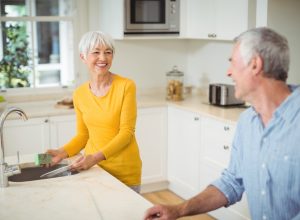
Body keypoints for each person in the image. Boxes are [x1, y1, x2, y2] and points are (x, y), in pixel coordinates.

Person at [144, 27, 300, 220]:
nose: (228, 72)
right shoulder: (247, 123)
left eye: (232, 63)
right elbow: (232, 182)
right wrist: (178, 210)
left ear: (254, 65)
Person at [47, 31, 142, 193]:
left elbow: (127, 133)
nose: (103, 58)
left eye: (108, 52)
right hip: (94, 170)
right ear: (83, 57)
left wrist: (94, 158)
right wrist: (61, 152)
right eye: (96, 52)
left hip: (123, 171)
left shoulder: (126, 86)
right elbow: (83, 135)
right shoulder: (79, 94)